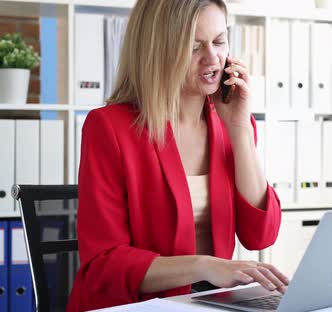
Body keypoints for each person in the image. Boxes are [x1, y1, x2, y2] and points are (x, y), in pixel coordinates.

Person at [67, 0, 288, 311]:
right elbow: (105, 263)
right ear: (158, 51)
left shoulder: (233, 123)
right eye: (194, 47)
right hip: (136, 305)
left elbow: (261, 236)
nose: (212, 58)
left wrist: (239, 129)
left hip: (207, 301)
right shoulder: (109, 127)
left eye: (219, 41)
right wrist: (206, 266)